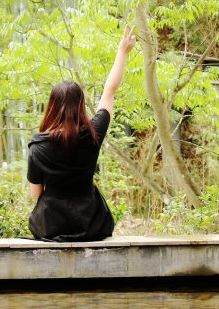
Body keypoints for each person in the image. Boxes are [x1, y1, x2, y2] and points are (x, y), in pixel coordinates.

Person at [26, 26, 137, 242]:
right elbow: (109, 91)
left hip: (51, 226)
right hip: (91, 223)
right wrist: (122, 52)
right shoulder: (93, 134)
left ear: (51, 106)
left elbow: (36, 195)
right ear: (81, 105)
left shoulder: (37, 147)